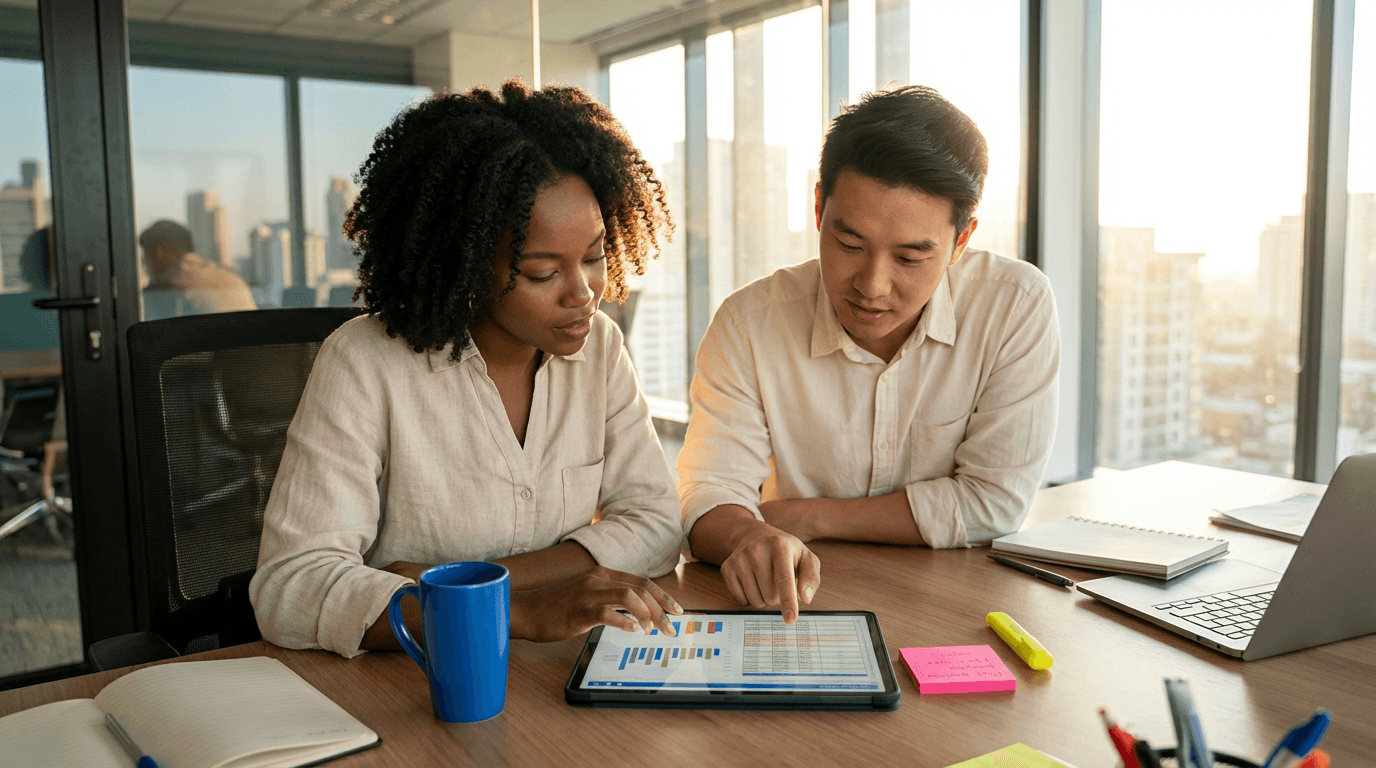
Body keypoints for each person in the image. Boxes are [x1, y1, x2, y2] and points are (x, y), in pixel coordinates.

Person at [250, 80, 686, 659]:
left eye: (594, 257)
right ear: (467, 262)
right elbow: (292, 586)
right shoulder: (364, 363)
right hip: (406, 686)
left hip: (547, 674)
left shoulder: (599, 349)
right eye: (541, 272)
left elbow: (657, 526)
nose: (584, 295)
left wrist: (460, 581)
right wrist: (514, 609)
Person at [678, 86, 1060, 622]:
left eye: (909, 257)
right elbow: (707, 492)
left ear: (961, 240)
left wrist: (811, 517)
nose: (873, 286)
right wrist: (748, 533)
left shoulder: (1014, 305)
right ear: (818, 209)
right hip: (798, 605)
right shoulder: (749, 323)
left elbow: (994, 504)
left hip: (955, 606)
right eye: (850, 245)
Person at [138, 220, 256, 316]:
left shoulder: (172, 282)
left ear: (159, 252)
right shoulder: (230, 274)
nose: (145, 263)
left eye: (146, 256)